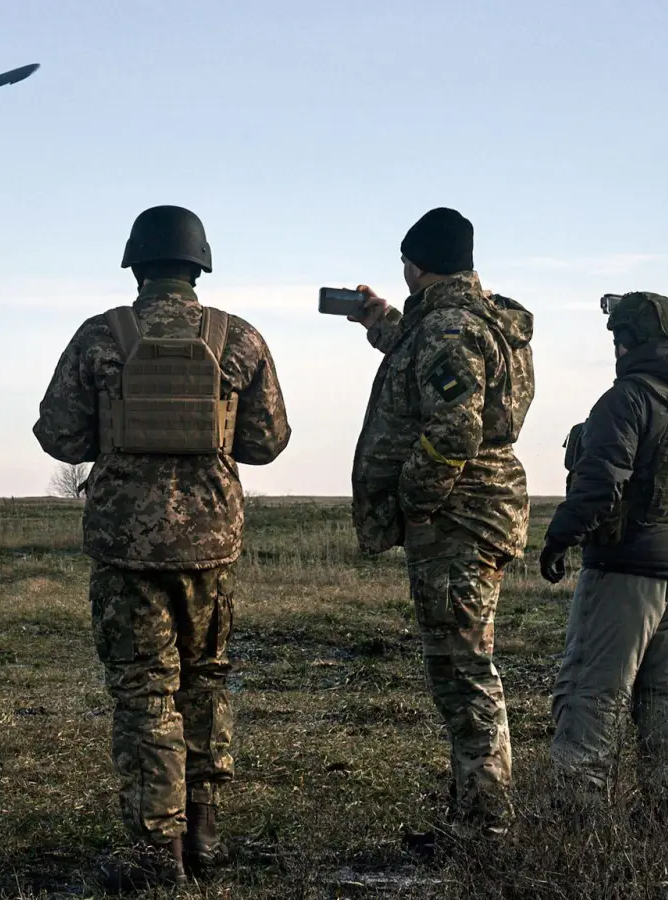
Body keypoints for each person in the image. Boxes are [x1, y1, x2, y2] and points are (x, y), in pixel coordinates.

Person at [33, 205, 291, 890]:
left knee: (146, 692)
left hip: (126, 549)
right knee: (206, 679)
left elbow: (59, 437)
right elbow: (267, 444)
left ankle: (160, 851)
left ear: (136, 265)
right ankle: (205, 831)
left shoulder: (100, 336)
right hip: (211, 547)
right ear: (199, 266)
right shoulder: (240, 339)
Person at [345, 207, 535, 841]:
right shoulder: (472, 319)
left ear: (417, 264)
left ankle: (487, 827)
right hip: (478, 511)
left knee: (462, 672)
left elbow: (454, 427)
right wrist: (376, 318)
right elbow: (419, 352)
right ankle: (473, 812)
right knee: (460, 665)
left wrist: (412, 500)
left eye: (404, 265)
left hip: (458, 519)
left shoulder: (450, 328)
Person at [539, 292, 668, 813]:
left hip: (625, 568)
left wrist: (560, 537)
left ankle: (579, 819)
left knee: (593, 691)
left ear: (628, 341)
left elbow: (600, 484)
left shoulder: (627, 398)